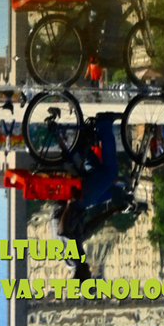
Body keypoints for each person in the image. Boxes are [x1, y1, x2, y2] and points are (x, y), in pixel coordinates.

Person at [54, 114, 122, 280]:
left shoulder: (73, 260)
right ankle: (80, 145)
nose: (91, 273)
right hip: (76, 206)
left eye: (88, 276)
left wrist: (70, 205)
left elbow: (62, 231)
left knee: (110, 174)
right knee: (107, 191)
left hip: (75, 203)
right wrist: (110, 212)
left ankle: (104, 124)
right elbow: (88, 228)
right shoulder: (76, 261)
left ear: (81, 276)